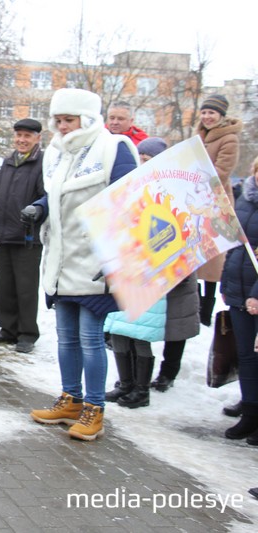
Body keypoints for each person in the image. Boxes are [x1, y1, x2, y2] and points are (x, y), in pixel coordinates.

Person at [26, 88, 138, 441]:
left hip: (96, 260)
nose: (61, 126)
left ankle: (94, 409)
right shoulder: (58, 153)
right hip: (62, 259)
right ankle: (71, 399)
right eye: (58, 120)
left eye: (68, 120)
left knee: (91, 340)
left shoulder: (114, 148)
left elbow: (130, 202)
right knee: (65, 339)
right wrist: (40, 207)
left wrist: (118, 257)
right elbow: (58, 193)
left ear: (86, 119)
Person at [134, 137, 201, 394]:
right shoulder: (138, 187)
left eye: (147, 159)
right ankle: (137, 377)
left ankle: (168, 373)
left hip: (178, 267)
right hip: (148, 265)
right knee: (142, 323)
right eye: (139, 159)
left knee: (177, 323)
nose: (142, 163)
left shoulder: (179, 189)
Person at [0, 118, 45, 353]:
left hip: (28, 236)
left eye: (27, 136)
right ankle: (8, 330)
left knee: (26, 287)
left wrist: (33, 218)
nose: (21, 140)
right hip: (4, 231)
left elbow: (43, 197)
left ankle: (27, 333)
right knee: (4, 285)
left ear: (37, 138)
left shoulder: (41, 163)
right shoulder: (8, 162)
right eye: (18, 135)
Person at [195, 94, 243, 327]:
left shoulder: (229, 138)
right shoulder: (198, 135)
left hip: (216, 201)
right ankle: (192, 304)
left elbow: (222, 170)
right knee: (193, 253)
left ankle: (206, 308)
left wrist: (199, 180)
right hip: (193, 198)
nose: (207, 117)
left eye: (211, 113)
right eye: (204, 112)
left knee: (212, 257)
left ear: (221, 116)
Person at [220, 155, 258, 444]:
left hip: (255, 292)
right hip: (238, 286)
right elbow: (234, 241)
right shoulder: (245, 197)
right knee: (245, 354)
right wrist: (226, 281)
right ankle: (250, 409)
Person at [103, 297, 166, 408]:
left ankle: (142, 391)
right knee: (117, 332)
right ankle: (125, 385)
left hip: (148, 292)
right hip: (124, 290)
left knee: (141, 336)